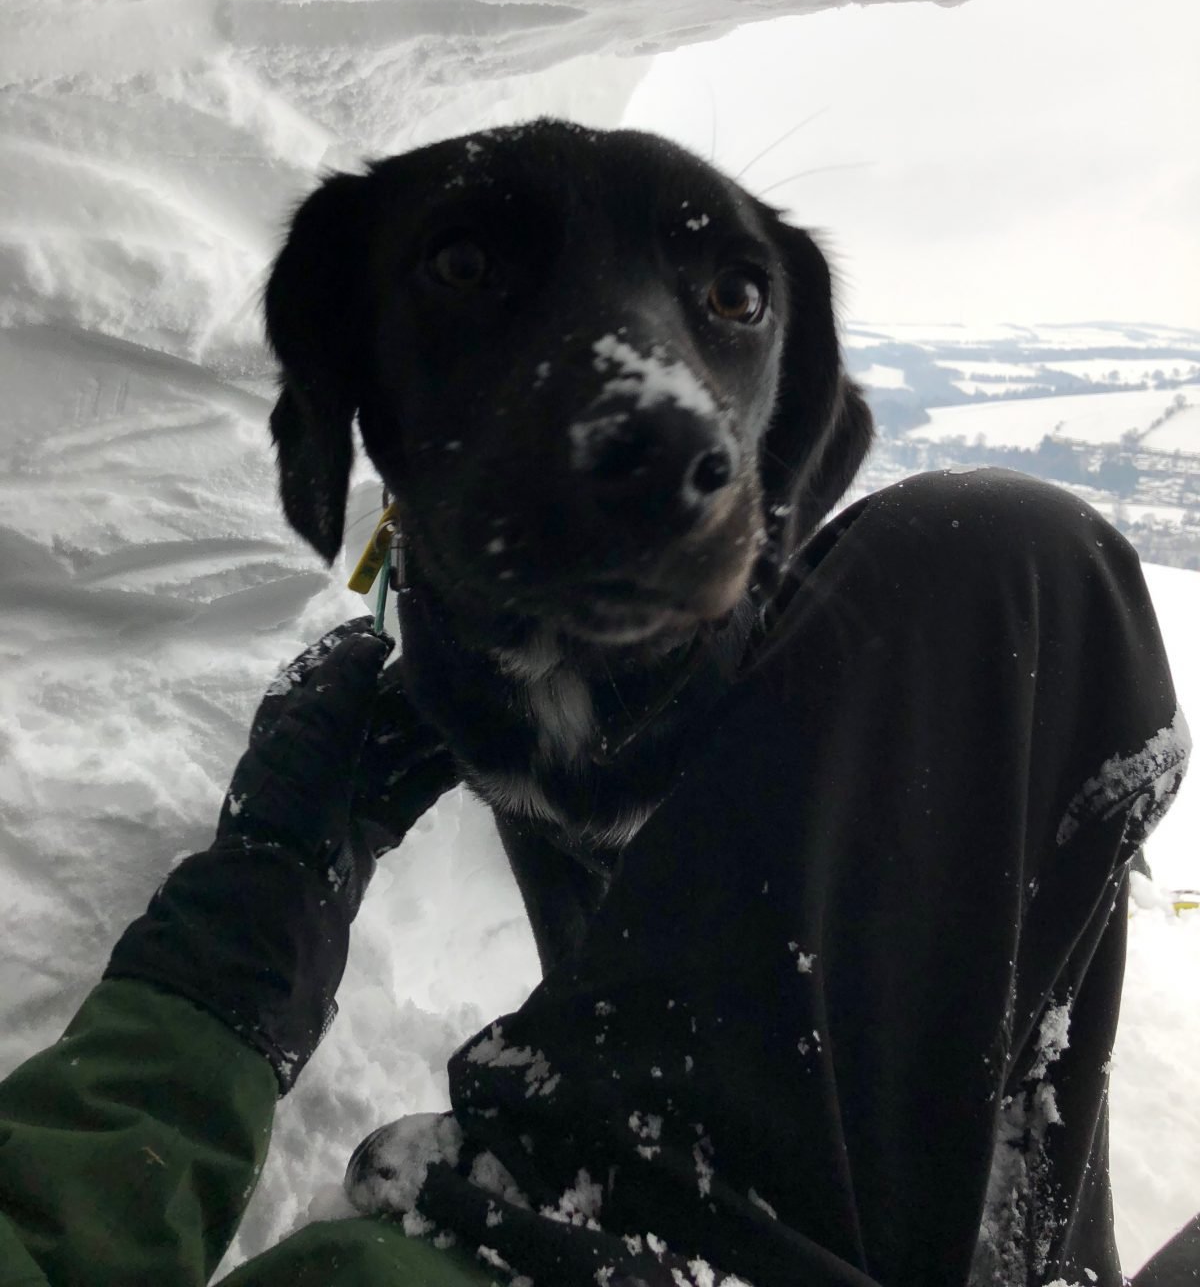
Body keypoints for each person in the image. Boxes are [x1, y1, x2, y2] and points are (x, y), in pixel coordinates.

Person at [0, 470, 1193, 1287]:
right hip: (634, 1227)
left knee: (997, 565)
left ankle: (629, 903)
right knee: (1002, 569)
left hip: (573, 1216)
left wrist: (258, 909)